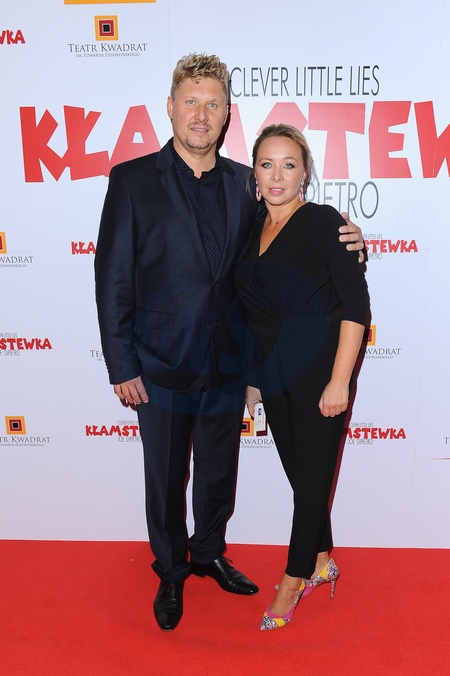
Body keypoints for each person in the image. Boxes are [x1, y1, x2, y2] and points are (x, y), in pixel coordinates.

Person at [94, 54, 365, 632]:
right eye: (191, 101)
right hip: (160, 362)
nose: (201, 114)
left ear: (226, 115)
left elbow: (286, 240)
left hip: (228, 364)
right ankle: (171, 570)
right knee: (165, 479)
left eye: (213, 103)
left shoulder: (246, 184)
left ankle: (209, 552)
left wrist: (350, 236)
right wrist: (121, 363)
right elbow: (112, 277)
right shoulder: (132, 180)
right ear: (170, 108)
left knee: (218, 472)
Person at [234, 124, 370, 630]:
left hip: (319, 372)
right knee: (304, 479)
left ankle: (293, 579)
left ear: (305, 173)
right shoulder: (251, 227)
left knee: (310, 483)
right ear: (254, 173)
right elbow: (253, 311)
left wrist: (340, 380)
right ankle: (323, 559)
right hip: (273, 373)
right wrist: (254, 377)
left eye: (288, 164)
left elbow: (355, 306)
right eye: (266, 164)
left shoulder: (324, 223)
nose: (277, 175)